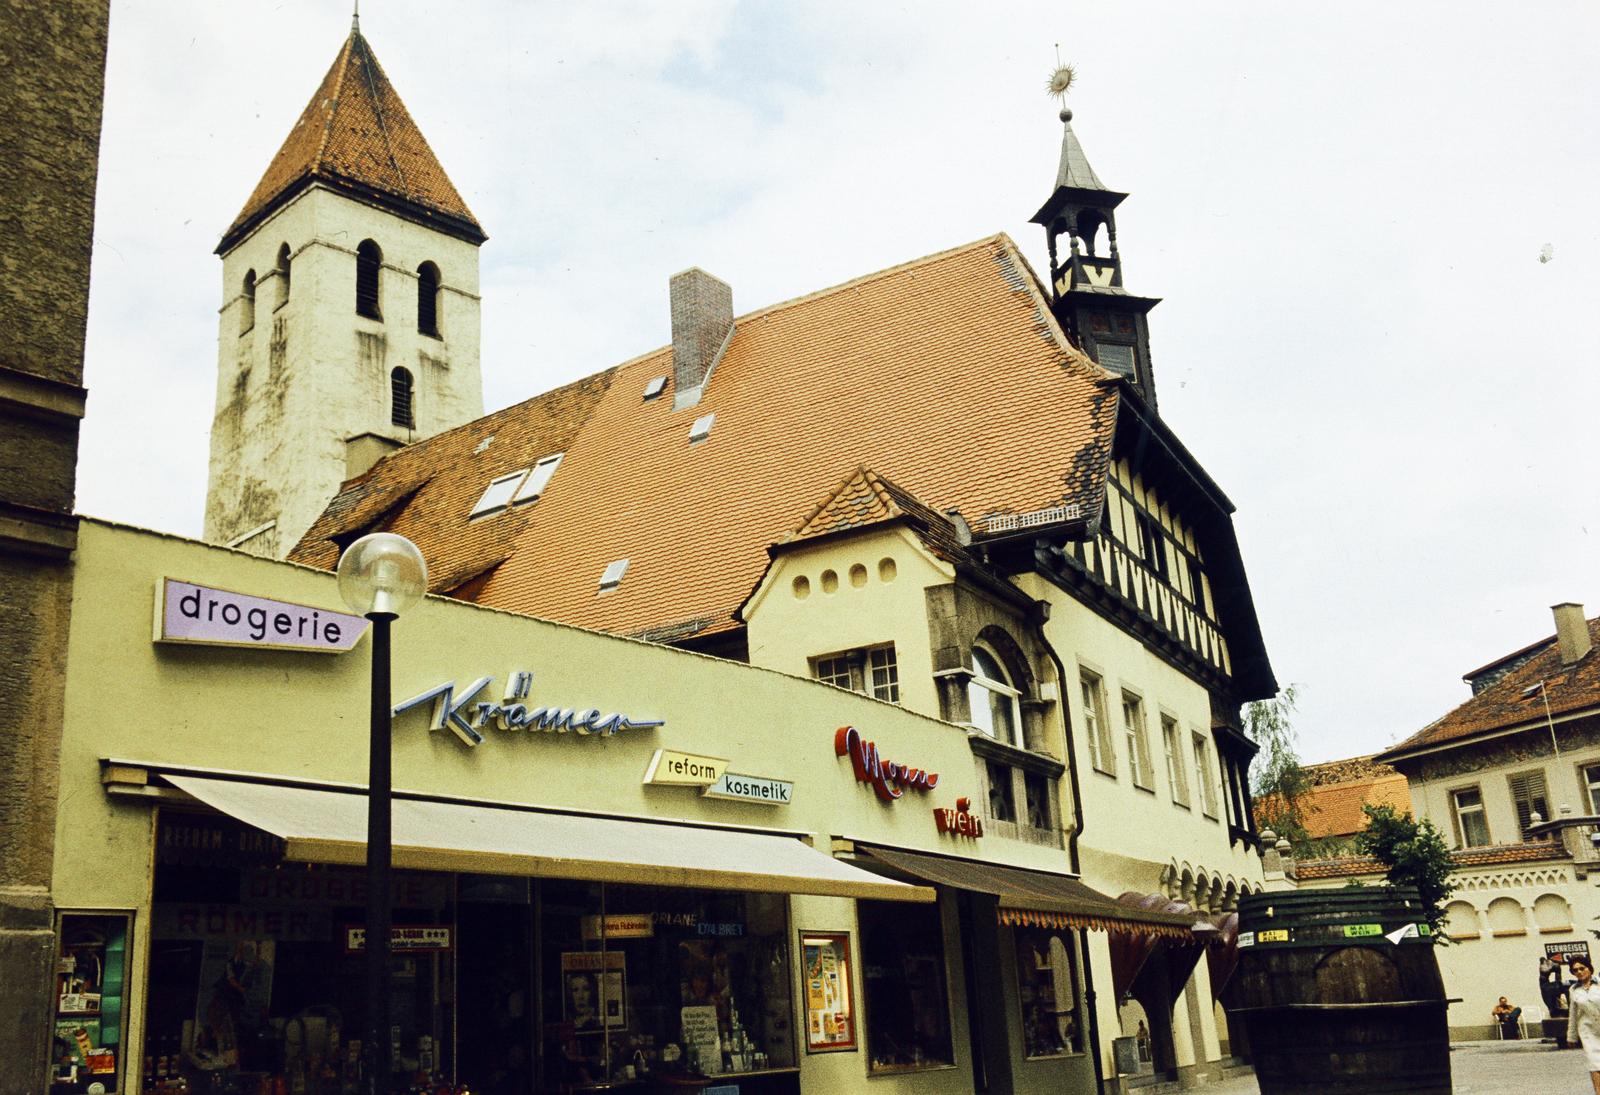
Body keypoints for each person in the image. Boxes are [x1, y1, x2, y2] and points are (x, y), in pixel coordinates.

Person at [1565, 956, 1600, 1093]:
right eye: (1575, 970)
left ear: (1589, 969)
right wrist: (1571, 1036)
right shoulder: (1574, 990)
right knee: (1595, 1065)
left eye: (1582, 968)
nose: (1579, 972)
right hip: (1588, 1032)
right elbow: (1573, 1014)